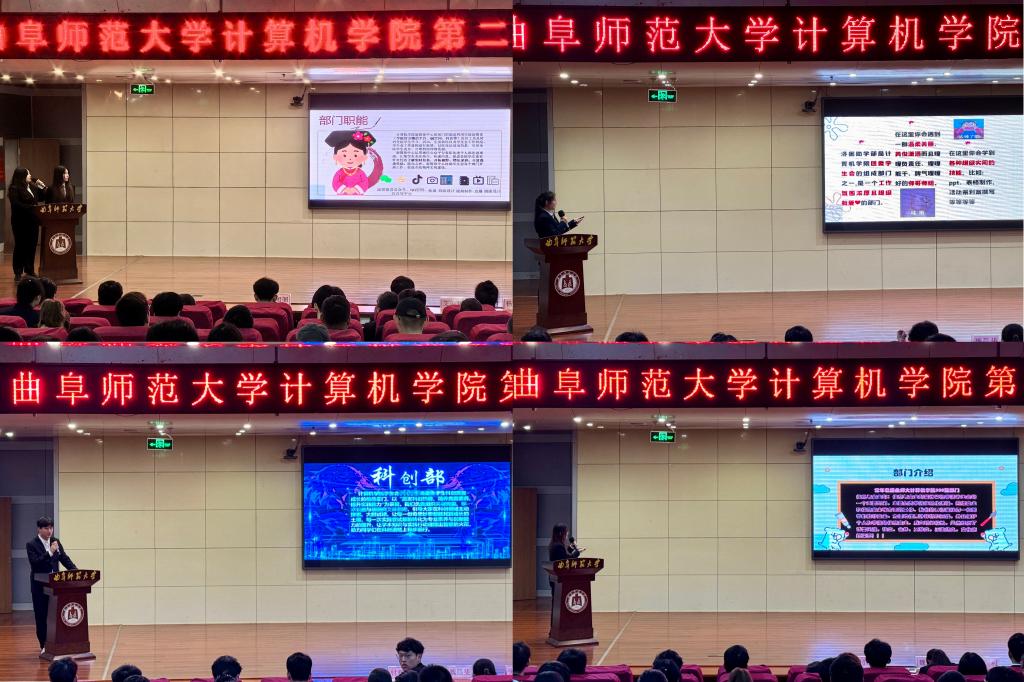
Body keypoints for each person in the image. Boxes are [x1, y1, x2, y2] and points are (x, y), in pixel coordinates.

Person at [27, 516, 77, 653]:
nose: (49, 531)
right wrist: (50, 552)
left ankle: (58, 643)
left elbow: (64, 559)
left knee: (56, 615)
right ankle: (43, 645)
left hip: (55, 585)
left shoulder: (56, 541)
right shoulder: (31, 544)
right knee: (41, 615)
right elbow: (35, 564)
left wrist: (76, 572)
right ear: (39, 529)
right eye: (46, 528)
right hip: (39, 586)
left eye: (51, 528)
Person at [7, 167, 43, 279]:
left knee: (32, 246)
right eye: (28, 174)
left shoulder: (32, 187)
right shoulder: (14, 188)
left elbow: (42, 197)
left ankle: (29, 270)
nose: (30, 175)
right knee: (20, 246)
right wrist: (32, 208)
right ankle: (18, 271)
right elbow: (16, 204)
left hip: (33, 221)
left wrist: (42, 186)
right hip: (20, 222)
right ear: (21, 176)